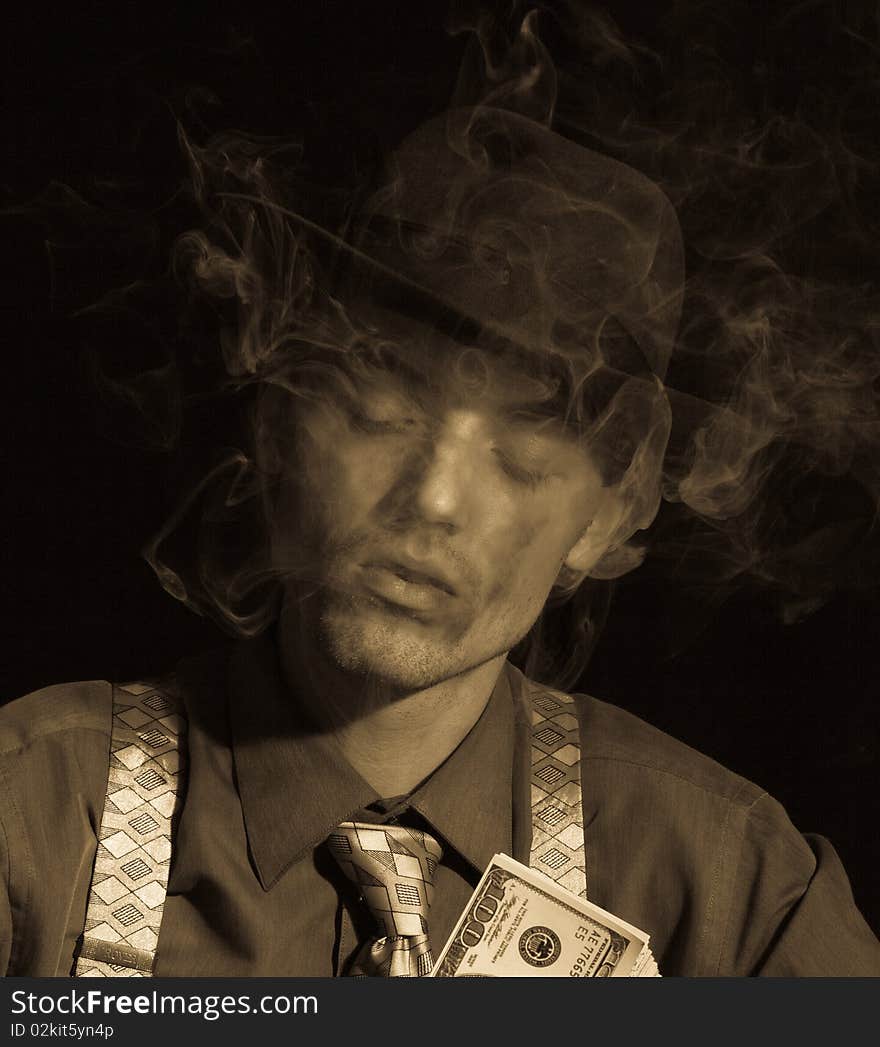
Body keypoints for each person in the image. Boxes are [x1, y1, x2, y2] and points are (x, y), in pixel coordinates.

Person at [2, 105, 879, 978]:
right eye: (384, 406)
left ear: (610, 509)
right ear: (277, 419)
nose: (434, 498)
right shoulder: (30, 817)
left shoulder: (744, 901)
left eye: (521, 453)